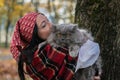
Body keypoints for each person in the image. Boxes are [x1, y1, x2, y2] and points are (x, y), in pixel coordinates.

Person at [10, 12, 101, 80]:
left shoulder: (30, 60)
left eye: (48, 20)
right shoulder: (50, 52)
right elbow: (93, 49)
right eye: (44, 25)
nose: (51, 25)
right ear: (34, 36)